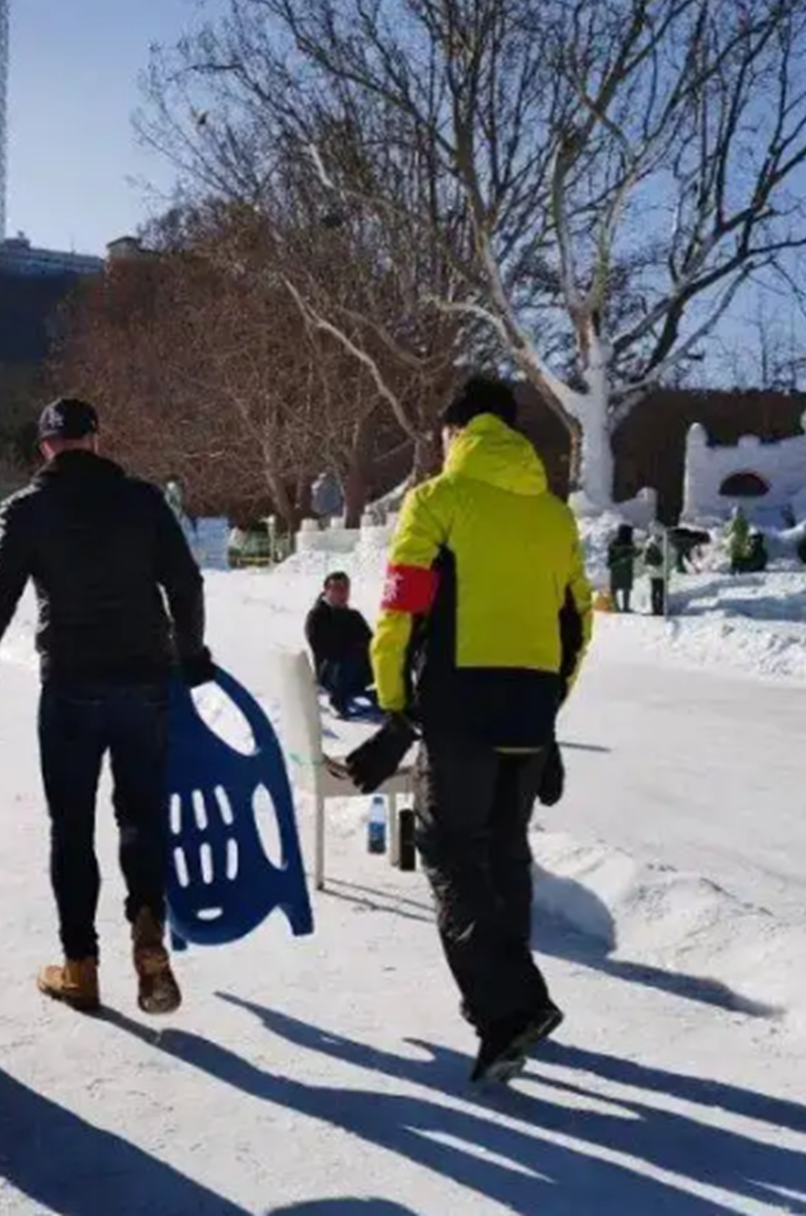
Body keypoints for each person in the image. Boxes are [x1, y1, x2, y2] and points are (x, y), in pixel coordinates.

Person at [0, 397, 211, 1016]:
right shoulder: (142, 501)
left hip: (70, 689)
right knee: (141, 815)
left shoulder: (30, 511)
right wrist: (189, 656)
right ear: (96, 440)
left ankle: (80, 967)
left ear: (45, 448)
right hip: (144, 685)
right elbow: (186, 583)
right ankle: (147, 931)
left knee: (72, 829)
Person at [360, 376, 591, 1083]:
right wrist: (550, 707)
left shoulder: (438, 501)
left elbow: (402, 609)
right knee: (505, 853)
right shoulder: (555, 517)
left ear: (456, 432)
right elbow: (577, 624)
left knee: (450, 850)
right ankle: (507, 1003)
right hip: (529, 711)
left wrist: (397, 698)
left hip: (459, 708)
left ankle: (509, 1006)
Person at [305, 571, 374, 717]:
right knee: (349, 657)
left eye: (345, 589)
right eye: (337, 588)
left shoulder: (354, 615)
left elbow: (370, 641)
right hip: (330, 673)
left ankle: (396, 698)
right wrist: (353, 647)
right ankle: (337, 701)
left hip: (357, 670)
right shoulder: (317, 615)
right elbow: (322, 647)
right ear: (326, 591)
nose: (342, 593)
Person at [606, 524, 638, 613]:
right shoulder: (629, 542)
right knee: (626, 588)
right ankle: (625, 607)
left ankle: (616, 607)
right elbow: (633, 553)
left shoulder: (614, 543)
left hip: (616, 569)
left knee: (614, 588)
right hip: (626, 569)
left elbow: (610, 556)